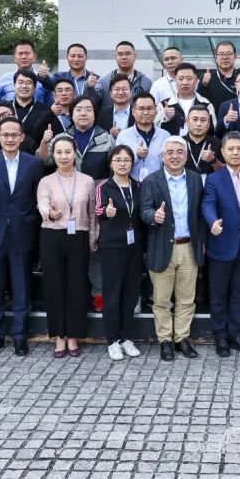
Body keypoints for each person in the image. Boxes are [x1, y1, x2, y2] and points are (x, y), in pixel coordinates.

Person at [0, 116, 44, 358]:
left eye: (15, 135)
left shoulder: (33, 163)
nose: (10, 139)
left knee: (21, 286)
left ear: (22, 137)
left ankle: (20, 335)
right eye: (5, 134)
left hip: (22, 232)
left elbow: (38, 197)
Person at [140, 136, 206, 361]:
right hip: (161, 246)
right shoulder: (152, 180)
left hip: (188, 246)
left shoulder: (195, 179)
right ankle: (165, 340)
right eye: (170, 152)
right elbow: (144, 210)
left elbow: (200, 213)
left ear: (186, 156)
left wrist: (203, 242)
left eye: (179, 152)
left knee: (187, 298)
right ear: (162, 156)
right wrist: (154, 216)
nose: (175, 156)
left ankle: (182, 338)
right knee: (162, 299)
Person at [36, 135, 96, 358]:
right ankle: (59, 337)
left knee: (76, 287)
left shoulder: (87, 181)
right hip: (52, 235)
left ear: (75, 153)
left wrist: (93, 239)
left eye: (67, 152)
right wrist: (48, 213)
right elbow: (42, 202)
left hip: (79, 237)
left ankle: (74, 336)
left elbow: (92, 214)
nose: (63, 156)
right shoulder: (46, 181)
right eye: (59, 152)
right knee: (54, 286)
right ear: (53, 155)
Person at [203, 132, 240, 356]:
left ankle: (236, 335)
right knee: (218, 295)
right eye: (231, 149)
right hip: (221, 244)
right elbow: (208, 204)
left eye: (239, 149)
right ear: (222, 152)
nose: (235, 153)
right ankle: (220, 337)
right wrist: (212, 222)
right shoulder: (214, 179)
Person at [95, 145, 145, 360]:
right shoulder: (104, 186)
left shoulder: (138, 186)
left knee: (131, 293)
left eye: (126, 160)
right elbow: (98, 210)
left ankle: (126, 337)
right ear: (111, 163)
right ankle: (112, 340)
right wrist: (106, 212)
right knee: (112, 293)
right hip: (113, 246)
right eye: (118, 160)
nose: (122, 164)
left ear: (132, 163)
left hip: (135, 247)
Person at [39, 95, 115, 180]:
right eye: (78, 110)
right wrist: (44, 142)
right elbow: (45, 161)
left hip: (98, 187)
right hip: (67, 186)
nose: (83, 113)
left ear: (95, 114)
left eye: (88, 110)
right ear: (72, 114)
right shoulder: (61, 138)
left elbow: (114, 170)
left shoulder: (107, 139)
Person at [0, 71, 60, 146]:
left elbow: (57, 136)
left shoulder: (46, 110)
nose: (24, 86)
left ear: (35, 87)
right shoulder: (5, 108)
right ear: (14, 85)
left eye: (28, 83)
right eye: (20, 82)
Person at [116, 92, 171, 182]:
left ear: (156, 111)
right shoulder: (123, 136)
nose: (146, 112)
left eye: (149, 108)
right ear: (133, 112)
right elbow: (117, 163)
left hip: (158, 184)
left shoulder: (165, 135)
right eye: (141, 109)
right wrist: (136, 156)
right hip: (131, 184)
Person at [158, 62, 215, 136]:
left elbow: (213, 131)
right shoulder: (164, 105)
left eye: (189, 78)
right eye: (180, 79)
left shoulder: (206, 104)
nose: (185, 82)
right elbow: (154, 128)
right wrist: (164, 116)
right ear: (175, 80)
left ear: (196, 80)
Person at [39, 42, 102, 107]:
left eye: (80, 56)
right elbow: (49, 83)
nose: (76, 59)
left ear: (86, 57)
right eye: (72, 56)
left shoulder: (96, 79)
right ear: (67, 57)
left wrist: (91, 88)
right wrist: (43, 76)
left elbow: (100, 102)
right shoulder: (60, 77)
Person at [95, 41, 153, 108]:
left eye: (128, 54)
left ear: (135, 56)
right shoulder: (104, 81)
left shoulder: (146, 82)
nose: (124, 57)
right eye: (120, 54)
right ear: (115, 57)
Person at [199, 40, 240, 111]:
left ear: (235, 57)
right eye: (221, 54)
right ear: (215, 58)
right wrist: (204, 85)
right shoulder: (208, 77)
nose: (225, 57)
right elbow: (199, 100)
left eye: (229, 54)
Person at [183, 104, 223, 175]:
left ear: (209, 123)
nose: (199, 124)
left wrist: (213, 160)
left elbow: (225, 172)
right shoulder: (178, 143)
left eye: (203, 120)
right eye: (195, 119)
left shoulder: (218, 144)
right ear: (187, 121)